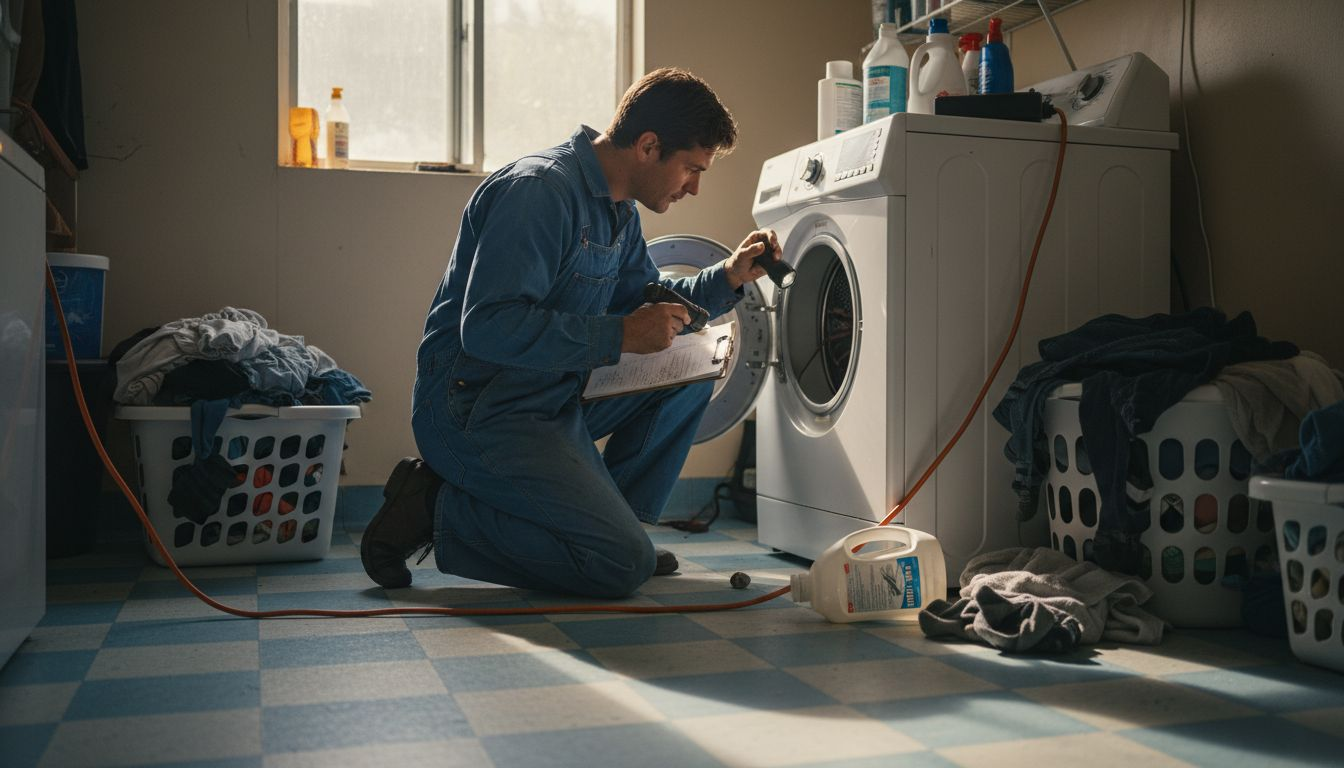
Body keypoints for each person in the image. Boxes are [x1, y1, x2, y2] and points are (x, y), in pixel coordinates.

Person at [360, 67, 781, 598]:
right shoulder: (538, 192)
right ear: (649, 146)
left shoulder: (619, 211)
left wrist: (731, 276)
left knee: (691, 374)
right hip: (478, 408)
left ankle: (616, 531)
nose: (694, 188)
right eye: (692, 169)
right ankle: (431, 506)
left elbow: (647, 303)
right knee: (618, 568)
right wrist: (619, 335)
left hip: (553, 394)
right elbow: (487, 328)